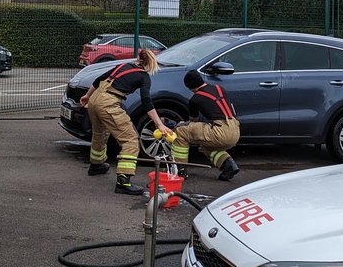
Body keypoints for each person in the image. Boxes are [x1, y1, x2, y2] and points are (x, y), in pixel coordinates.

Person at [79, 48, 169, 195]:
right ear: (151, 64)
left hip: (95, 99)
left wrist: (87, 96)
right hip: (108, 102)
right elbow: (146, 101)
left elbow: (98, 80)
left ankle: (96, 165)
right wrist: (159, 124)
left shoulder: (123, 66)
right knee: (130, 140)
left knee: (99, 133)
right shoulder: (144, 76)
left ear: (139, 58)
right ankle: (123, 181)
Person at [170, 70, 241, 182]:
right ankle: (229, 167)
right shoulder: (219, 88)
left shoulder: (195, 99)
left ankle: (179, 171)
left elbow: (193, 121)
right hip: (235, 129)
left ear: (190, 87)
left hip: (220, 131)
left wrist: (179, 124)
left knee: (181, 132)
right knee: (206, 145)